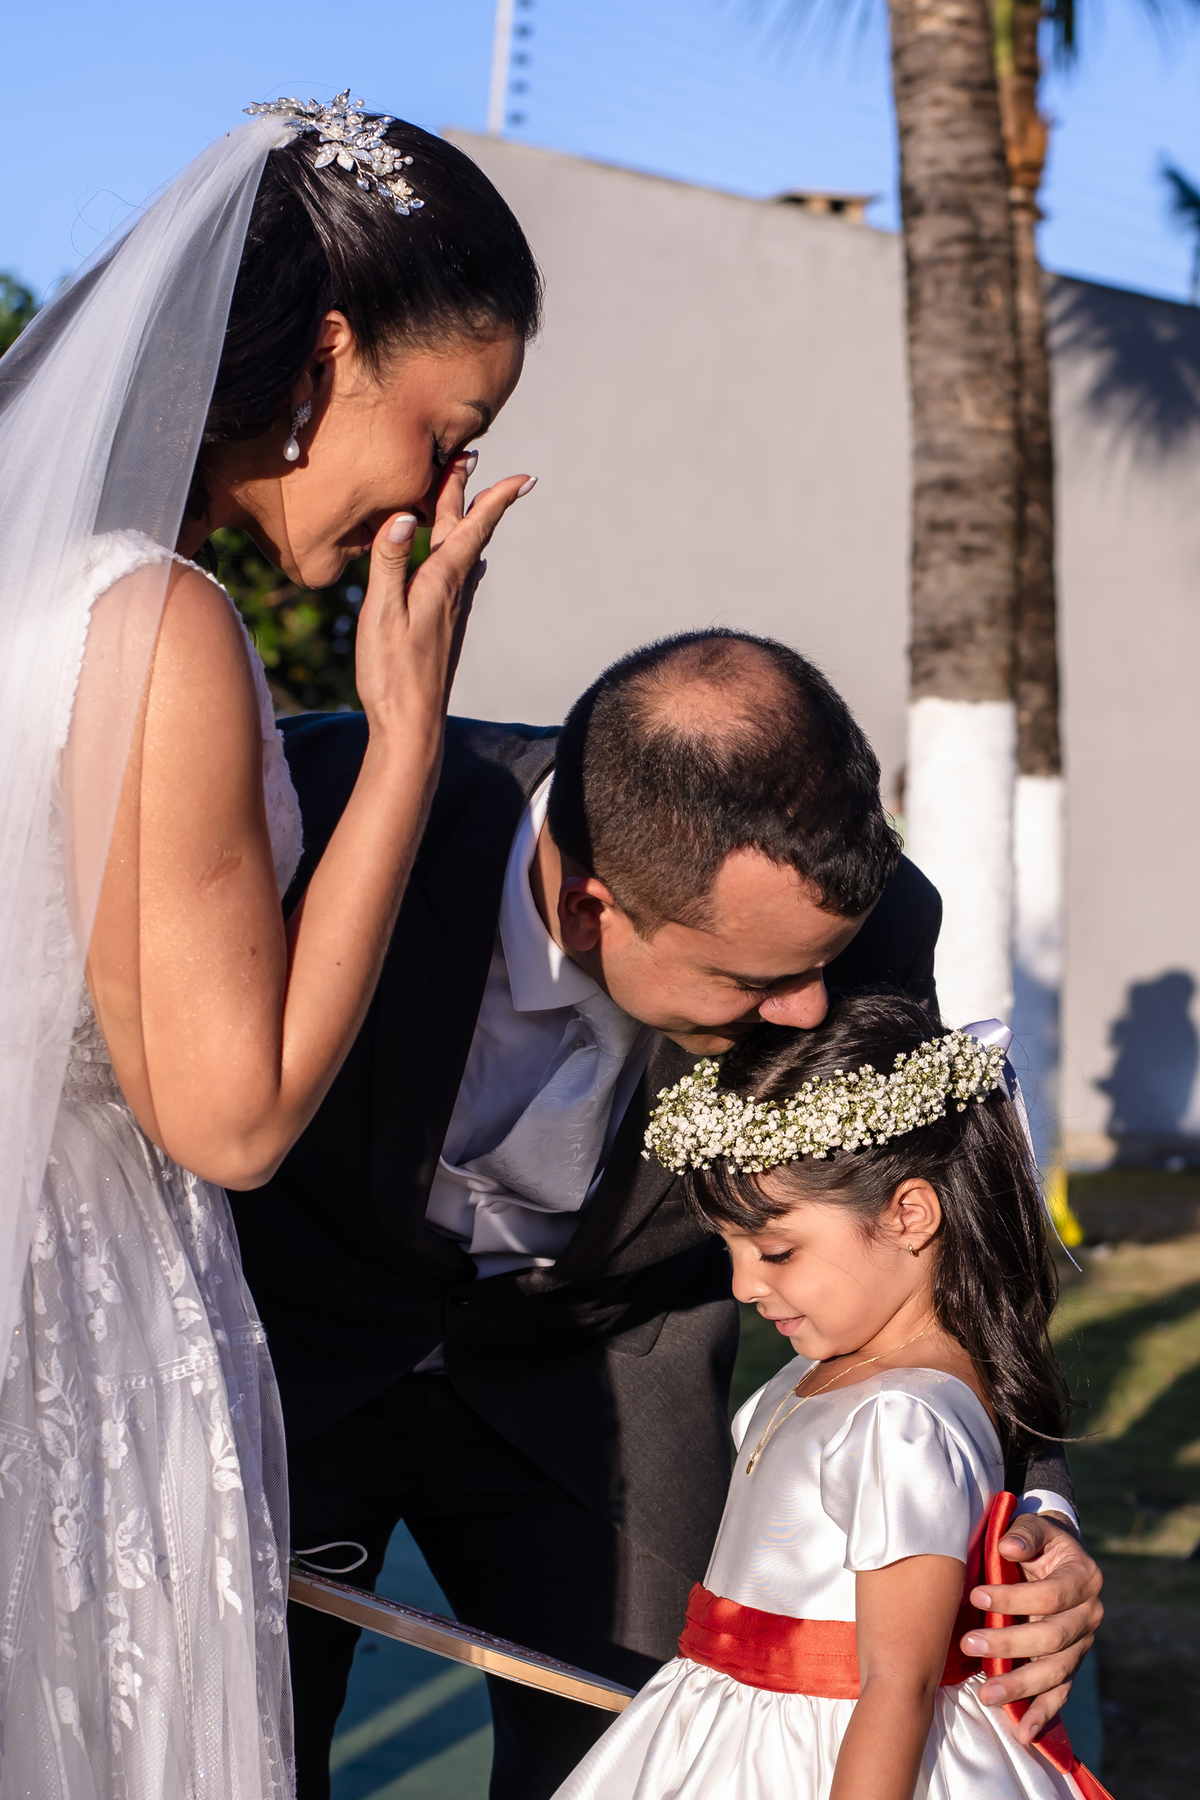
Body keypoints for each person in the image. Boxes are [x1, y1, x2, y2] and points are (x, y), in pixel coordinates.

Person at [246, 630, 1103, 1799]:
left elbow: (951, 1212)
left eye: (820, 970)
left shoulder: (866, 925)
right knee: (231, 1744)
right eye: (750, 984)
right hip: (293, 1353)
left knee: (677, 1752)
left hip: (608, 1373)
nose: (805, 1013)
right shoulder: (323, 797)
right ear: (594, 906)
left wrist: (1031, 1503)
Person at [0, 93, 539, 1798]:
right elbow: (228, 1115)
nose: (451, 490)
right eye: (452, 426)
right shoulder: (149, 623)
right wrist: (399, 742)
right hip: (66, 1310)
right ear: (325, 350)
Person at [552, 991, 1111, 1800]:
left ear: (910, 1213)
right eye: (732, 1250)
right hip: (738, 1726)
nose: (744, 1284)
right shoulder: (842, 1364)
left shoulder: (901, 1421)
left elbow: (899, 1685)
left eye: (776, 1249)